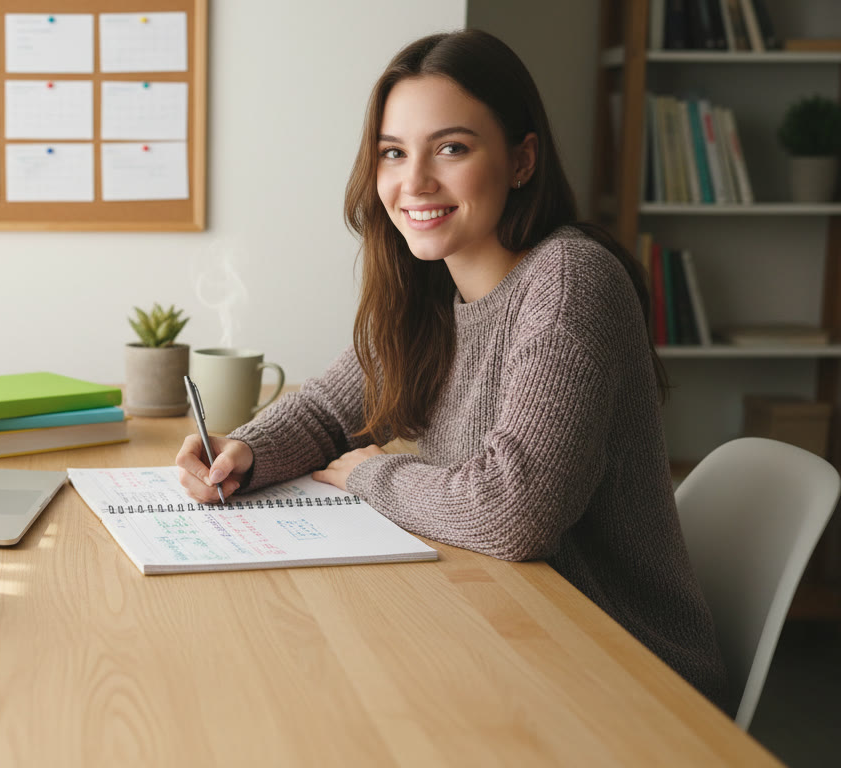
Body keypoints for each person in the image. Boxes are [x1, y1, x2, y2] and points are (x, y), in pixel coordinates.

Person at [175, 29, 729, 710]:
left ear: (522, 160)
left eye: (452, 148)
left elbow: (513, 511)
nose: (414, 183)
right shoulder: (432, 292)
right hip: (511, 633)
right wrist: (245, 451)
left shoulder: (569, 280)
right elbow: (326, 410)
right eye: (393, 154)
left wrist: (372, 475)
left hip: (625, 671)